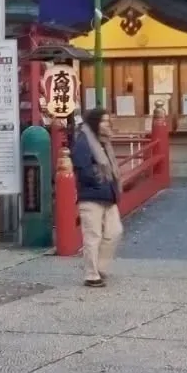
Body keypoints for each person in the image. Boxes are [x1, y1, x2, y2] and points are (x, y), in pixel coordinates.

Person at [71, 108, 122, 288]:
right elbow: (82, 167)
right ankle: (91, 275)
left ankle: (100, 267)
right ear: (94, 122)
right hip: (91, 195)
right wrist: (97, 181)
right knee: (93, 236)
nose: (107, 125)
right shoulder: (84, 142)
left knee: (115, 231)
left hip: (109, 194)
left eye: (108, 121)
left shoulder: (104, 143)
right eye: (103, 121)